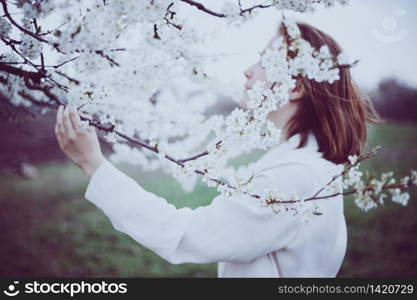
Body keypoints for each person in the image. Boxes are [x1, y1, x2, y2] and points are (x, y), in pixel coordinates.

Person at [55, 20, 382, 277]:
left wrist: (95, 166)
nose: (248, 70)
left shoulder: (295, 175)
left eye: (265, 60)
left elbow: (188, 236)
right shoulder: (305, 163)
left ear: (295, 87)